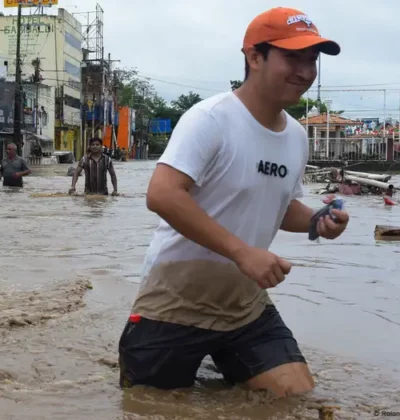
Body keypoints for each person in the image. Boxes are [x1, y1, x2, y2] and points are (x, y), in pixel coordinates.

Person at [118, 7, 350, 398]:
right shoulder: (210, 119)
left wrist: (317, 221)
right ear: (254, 57)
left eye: (312, 60)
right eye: (293, 57)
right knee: (151, 406)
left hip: (245, 305)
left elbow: (280, 205)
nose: (306, 72)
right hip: (175, 302)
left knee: (295, 398)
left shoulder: (296, 136)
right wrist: (243, 252)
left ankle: (220, 359)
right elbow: (161, 194)